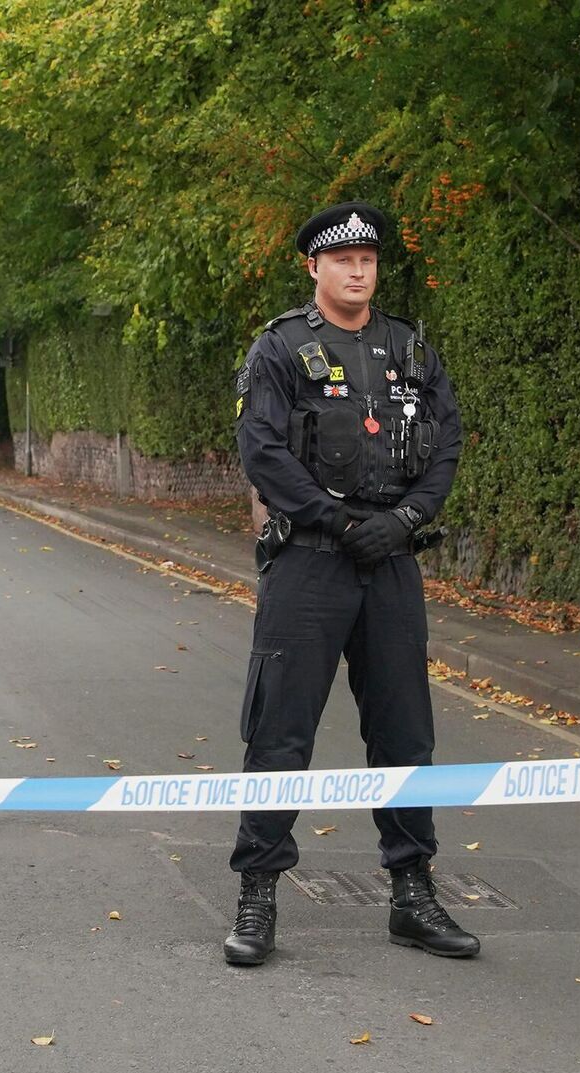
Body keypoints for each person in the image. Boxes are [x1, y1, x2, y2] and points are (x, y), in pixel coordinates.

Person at [224, 201, 475, 966]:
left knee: (404, 736)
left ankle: (412, 894)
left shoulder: (411, 348)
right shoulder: (280, 348)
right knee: (280, 734)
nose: (358, 270)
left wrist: (406, 520)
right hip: (310, 563)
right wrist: (335, 523)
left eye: (368, 259)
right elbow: (262, 451)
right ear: (314, 267)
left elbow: (447, 442)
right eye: (343, 260)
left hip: (392, 563)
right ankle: (257, 895)